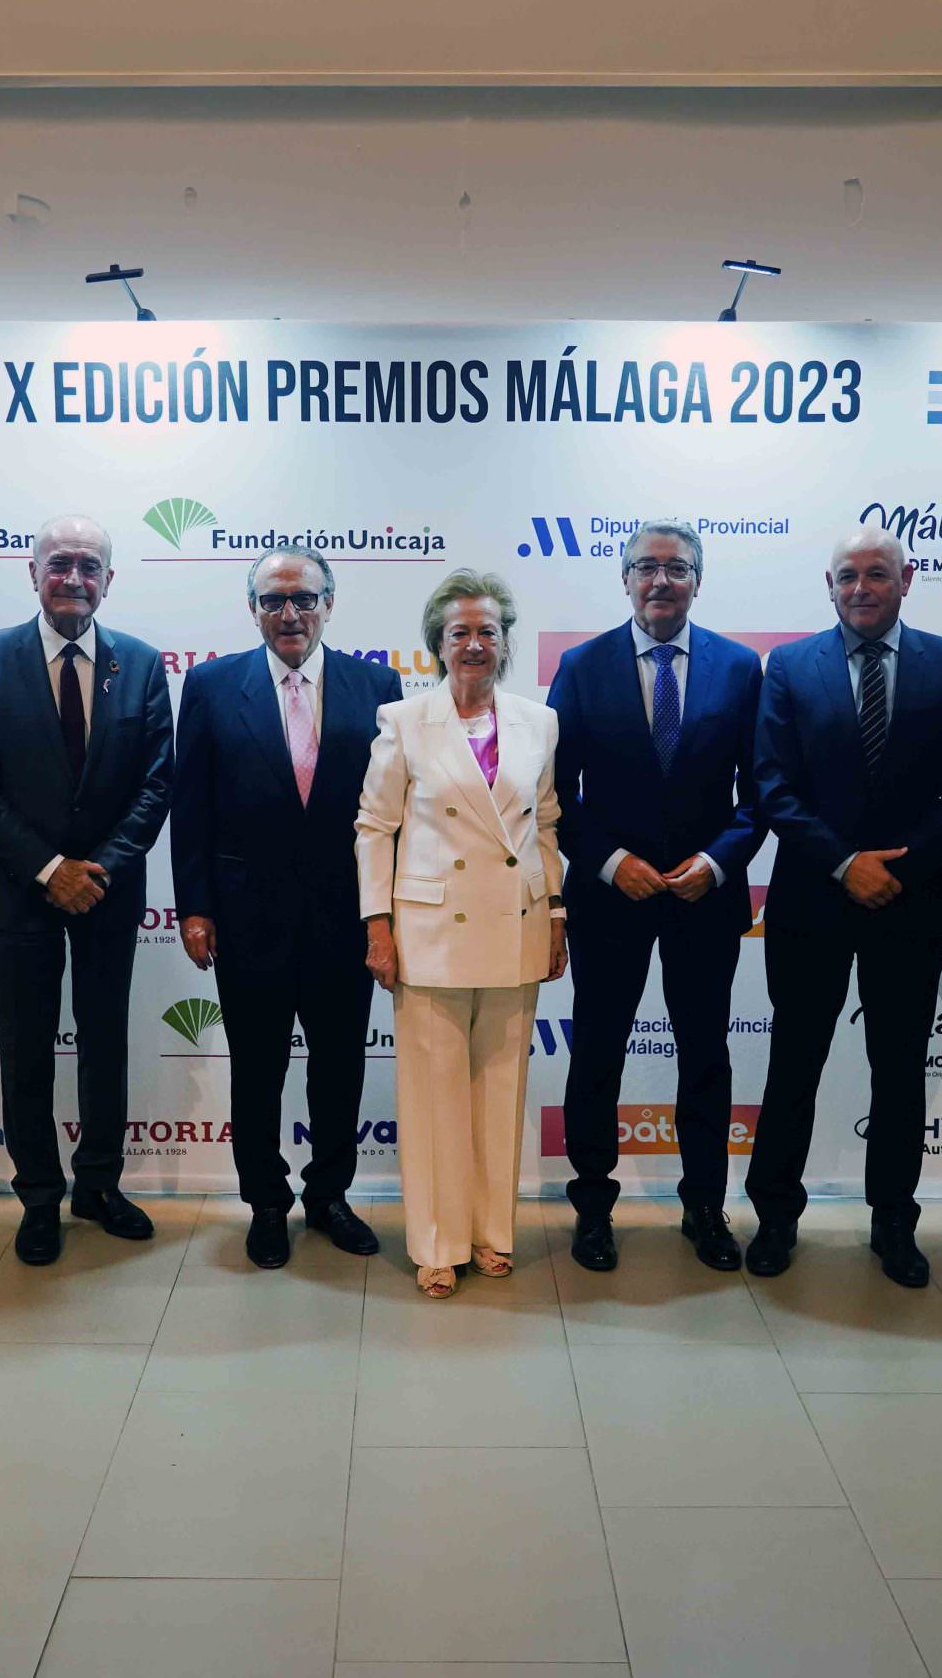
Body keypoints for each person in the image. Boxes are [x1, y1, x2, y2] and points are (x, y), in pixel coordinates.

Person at [746, 525, 942, 1284]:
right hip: (811, 900)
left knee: (900, 1069)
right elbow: (772, 784)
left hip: (908, 901)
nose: (861, 588)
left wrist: (896, 869)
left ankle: (894, 1222)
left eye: (877, 573)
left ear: (906, 580)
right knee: (794, 1063)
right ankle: (775, 1215)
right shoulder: (790, 665)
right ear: (829, 585)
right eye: (846, 575)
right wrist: (846, 863)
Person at [0, 516, 174, 1267]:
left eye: (88, 565)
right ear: (33, 572)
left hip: (107, 890)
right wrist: (51, 869)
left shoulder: (141, 663)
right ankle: (40, 1197)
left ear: (109, 579)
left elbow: (156, 783)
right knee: (26, 1051)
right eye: (59, 563)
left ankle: (98, 1186)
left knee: (104, 1043)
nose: (73, 577)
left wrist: (95, 869)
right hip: (18, 892)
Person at [173, 545, 400, 1269]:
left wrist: (385, 913)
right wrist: (194, 907)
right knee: (257, 1068)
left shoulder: (378, 685)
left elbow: (393, 811)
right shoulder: (211, 685)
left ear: (329, 604)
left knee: (339, 1068)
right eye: (273, 600)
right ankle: (266, 1203)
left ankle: (329, 1196)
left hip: (344, 916)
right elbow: (191, 805)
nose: (290, 613)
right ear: (253, 609)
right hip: (247, 918)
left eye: (304, 598)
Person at [547, 520, 764, 1273]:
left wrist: (717, 861)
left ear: (698, 580)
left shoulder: (739, 668)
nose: (661, 581)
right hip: (611, 897)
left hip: (705, 897)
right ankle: (592, 1207)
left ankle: (704, 1206)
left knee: (705, 1054)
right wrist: (611, 863)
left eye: (677, 568)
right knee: (596, 1053)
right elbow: (555, 793)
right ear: (625, 579)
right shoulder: (581, 666)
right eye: (646, 567)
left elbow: (760, 793)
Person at [357, 570, 565, 1299]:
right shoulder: (404, 719)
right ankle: (437, 1242)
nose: (475, 644)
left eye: (487, 632)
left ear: (505, 642)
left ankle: (490, 1232)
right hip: (430, 930)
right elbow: (374, 828)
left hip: (516, 924)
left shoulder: (539, 721)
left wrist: (557, 915)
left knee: (501, 1090)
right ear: (438, 644)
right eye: (460, 633)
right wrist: (378, 926)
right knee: (433, 1094)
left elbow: (545, 826)